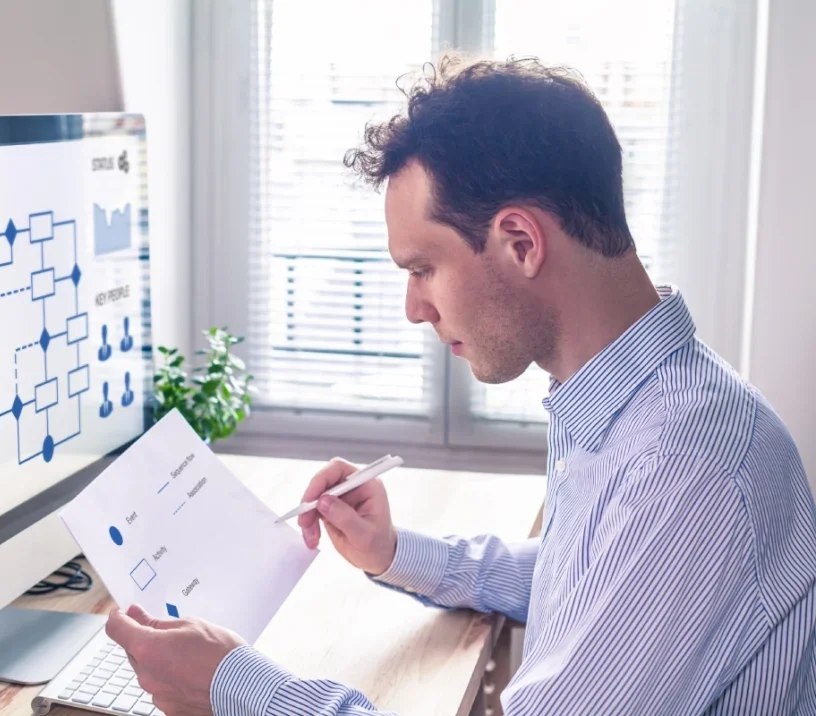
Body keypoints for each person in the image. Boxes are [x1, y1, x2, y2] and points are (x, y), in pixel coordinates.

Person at [105, 56, 816, 715]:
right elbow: (583, 584)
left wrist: (237, 684)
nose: (414, 307)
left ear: (521, 242)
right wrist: (396, 551)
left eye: (422, 269)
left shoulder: (686, 466)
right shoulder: (641, 403)